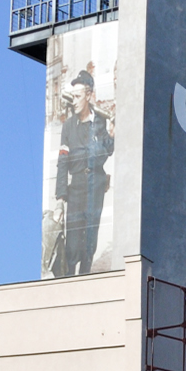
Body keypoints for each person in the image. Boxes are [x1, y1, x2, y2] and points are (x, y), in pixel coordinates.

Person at [54, 69, 115, 275]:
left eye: (78, 96)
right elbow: (62, 162)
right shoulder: (68, 126)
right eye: (73, 97)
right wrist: (60, 198)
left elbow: (108, 151)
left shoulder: (99, 123)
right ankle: (71, 280)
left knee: (90, 240)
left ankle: (86, 277)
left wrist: (111, 135)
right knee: (72, 244)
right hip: (77, 187)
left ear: (89, 96)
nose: (75, 101)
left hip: (95, 187)